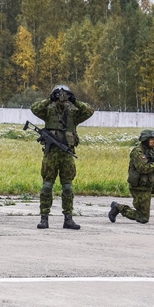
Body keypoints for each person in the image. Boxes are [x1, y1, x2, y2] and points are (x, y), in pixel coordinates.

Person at [30, 85, 95, 230]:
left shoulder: (73, 112)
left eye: (65, 95)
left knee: (67, 188)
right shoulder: (48, 110)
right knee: (47, 186)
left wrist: (74, 100)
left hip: (67, 154)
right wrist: (49, 99)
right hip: (51, 154)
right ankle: (44, 218)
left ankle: (68, 218)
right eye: (58, 95)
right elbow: (34, 108)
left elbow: (89, 111)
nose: (62, 97)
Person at [108, 129, 154, 225]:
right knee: (143, 218)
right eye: (152, 139)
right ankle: (118, 207)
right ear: (145, 140)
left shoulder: (151, 152)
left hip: (152, 183)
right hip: (140, 187)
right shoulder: (137, 152)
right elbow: (143, 168)